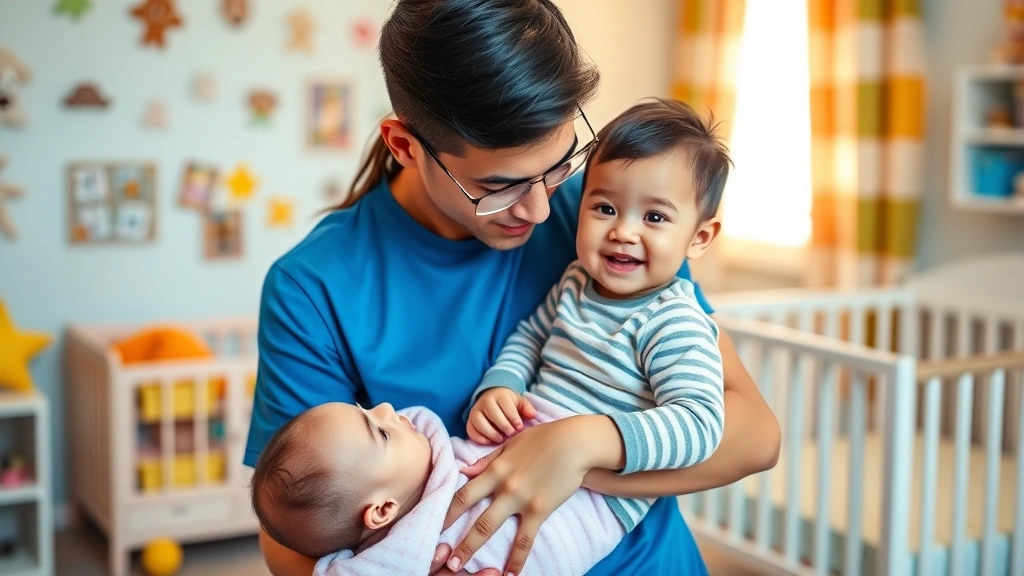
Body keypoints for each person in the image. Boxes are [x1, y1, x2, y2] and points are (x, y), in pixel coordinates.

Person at [244, 1, 781, 575]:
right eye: (497, 186)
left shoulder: (610, 222)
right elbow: (292, 539)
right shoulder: (314, 287)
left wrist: (575, 451)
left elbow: (752, 436)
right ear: (405, 146)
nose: (542, 207)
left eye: (559, 164)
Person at [466, 98, 729, 535]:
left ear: (699, 237)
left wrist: (593, 441)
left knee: (483, 547)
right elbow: (531, 337)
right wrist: (501, 385)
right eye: (605, 208)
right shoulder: (575, 281)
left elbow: (701, 423)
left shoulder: (674, 320)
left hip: (596, 498)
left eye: (655, 216)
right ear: (580, 203)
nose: (623, 232)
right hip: (523, 448)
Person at [250, 396, 630, 576]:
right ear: (383, 510)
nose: (385, 407)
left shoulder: (449, 460)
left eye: (363, 407)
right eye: (380, 432)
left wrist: (580, 446)